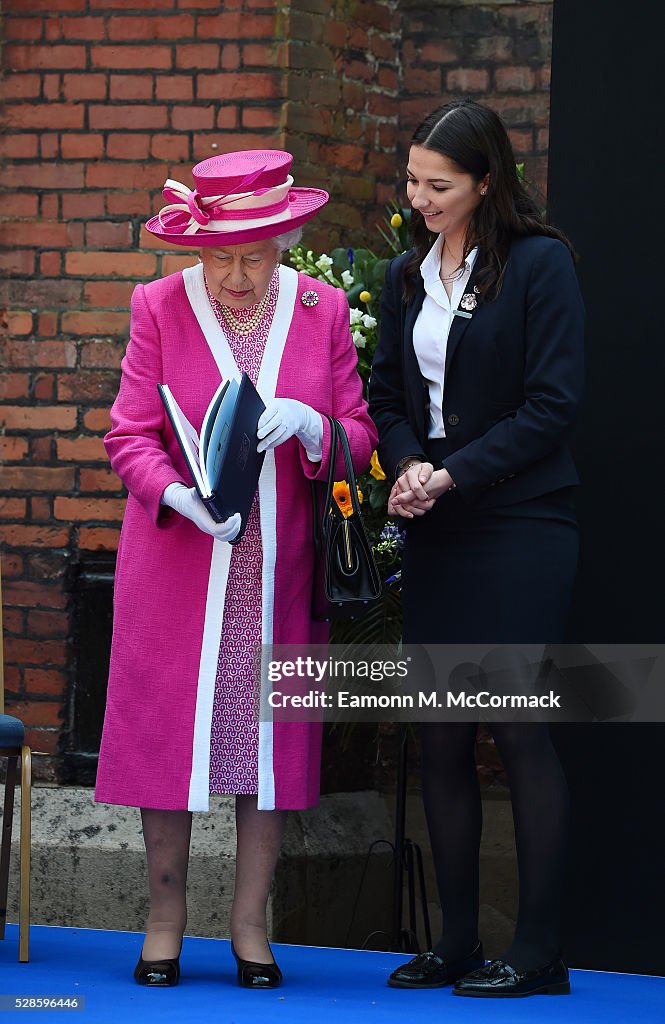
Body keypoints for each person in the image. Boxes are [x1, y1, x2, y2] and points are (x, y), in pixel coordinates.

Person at [95, 149, 377, 989]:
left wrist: (313, 424)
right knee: (167, 741)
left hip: (279, 574)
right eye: (220, 256)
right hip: (181, 567)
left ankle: (251, 929)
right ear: (195, 245)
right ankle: (163, 923)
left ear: (287, 238)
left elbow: (360, 435)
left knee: (268, 750)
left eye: (255, 256)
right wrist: (176, 496)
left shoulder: (322, 309)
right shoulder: (158, 304)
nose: (237, 276)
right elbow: (127, 435)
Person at [369, 100, 584, 998]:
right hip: (439, 525)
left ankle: (538, 953)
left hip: (521, 523)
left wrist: (453, 474)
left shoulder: (540, 264)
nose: (419, 197)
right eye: (412, 180)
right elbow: (385, 395)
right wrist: (410, 463)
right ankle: (455, 941)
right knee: (441, 731)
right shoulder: (403, 275)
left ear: (486, 182)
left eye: (439, 185)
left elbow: (551, 405)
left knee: (517, 726)